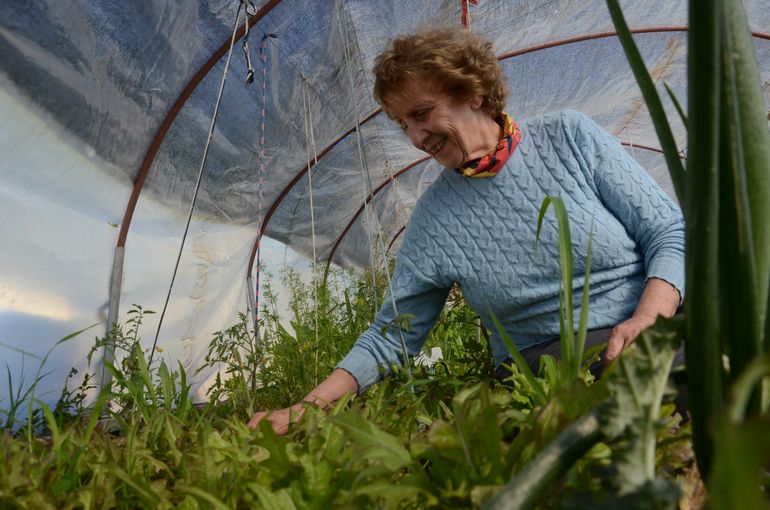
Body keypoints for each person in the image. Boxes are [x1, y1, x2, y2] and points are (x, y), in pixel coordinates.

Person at [248, 27, 684, 434]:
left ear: (473, 92)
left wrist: (648, 317)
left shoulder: (569, 137)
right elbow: (392, 334)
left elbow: (667, 231)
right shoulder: (434, 220)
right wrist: (308, 407)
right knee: (678, 384)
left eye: (422, 113)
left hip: (657, 314)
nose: (417, 137)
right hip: (555, 357)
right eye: (404, 124)